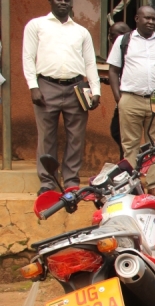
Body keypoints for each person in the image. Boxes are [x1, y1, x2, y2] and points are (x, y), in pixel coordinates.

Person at [22, 0, 102, 195]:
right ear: (51, 1)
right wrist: (33, 86)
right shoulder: (36, 25)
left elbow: (90, 63)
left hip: (76, 88)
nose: (63, 2)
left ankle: (71, 181)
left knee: (76, 136)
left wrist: (96, 90)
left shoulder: (81, 32)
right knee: (46, 137)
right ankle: (48, 183)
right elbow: (28, 57)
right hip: (46, 86)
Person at [107, 6, 155, 199]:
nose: (151, 22)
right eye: (147, 18)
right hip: (130, 97)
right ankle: (131, 184)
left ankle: (153, 184)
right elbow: (112, 70)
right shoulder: (124, 41)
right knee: (130, 144)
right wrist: (118, 97)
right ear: (137, 19)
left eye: (154, 19)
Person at [99, 21, 131, 160]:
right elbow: (116, 72)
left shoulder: (131, 49)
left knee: (120, 133)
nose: (110, 38)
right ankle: (126, 162)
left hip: (131, 100)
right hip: (123, 99)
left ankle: (129, 163)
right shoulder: (119, 49)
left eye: (113, 35)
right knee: (119, 132)